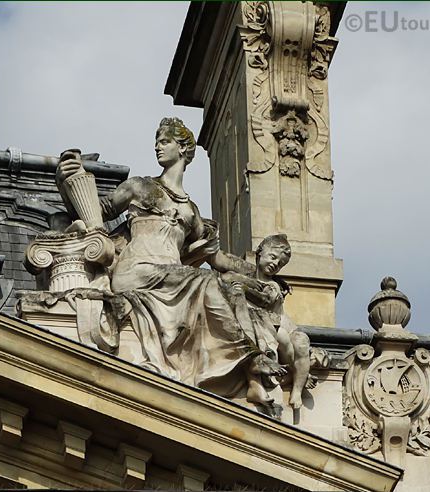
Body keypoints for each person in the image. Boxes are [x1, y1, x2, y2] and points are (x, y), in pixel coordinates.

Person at [56, 117, 285, 407]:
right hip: (137, 272)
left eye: (164, 141)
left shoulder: (191, 210)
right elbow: (98, 211)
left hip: (172, 276)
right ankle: (250, 361)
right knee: (205, 280)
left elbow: (216, 258)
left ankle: (250, 372)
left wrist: (256, 277)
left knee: (230, 289)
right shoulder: (140, 187)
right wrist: (66, 180)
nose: (157, 147)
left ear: (184, 149)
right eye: (157, 141)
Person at [222, 234, 314, 409]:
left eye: (280, 264)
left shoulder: (273, 285)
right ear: (259, 252)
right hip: (266, 329)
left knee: (301, 342)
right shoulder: (247, 275)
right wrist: (242, 280)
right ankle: (258, 380)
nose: (274, 264)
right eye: (272, 257)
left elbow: (265, 300)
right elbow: (224, 272)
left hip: (281, 329)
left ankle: (296, 389)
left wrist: (243, 286)